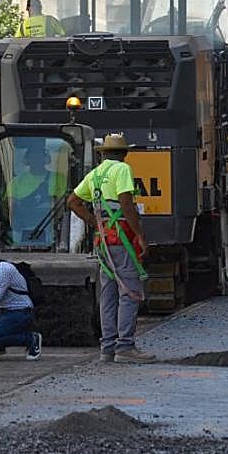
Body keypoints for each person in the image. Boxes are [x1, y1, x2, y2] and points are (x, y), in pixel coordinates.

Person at [66, 133, 154, 364]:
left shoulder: (95, 174)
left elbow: (72, 201)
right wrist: (141, 236)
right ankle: (125, 346)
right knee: (130, 292)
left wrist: (94, 222)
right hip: (121, 239)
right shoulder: (122, 170)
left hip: (103, 241)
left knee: (109, 295)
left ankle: (108, 348)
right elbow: (126, 204)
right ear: (124, 154)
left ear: (103, 154)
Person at [6, 146, 65, 247]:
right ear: (27, 159)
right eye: (33, 157)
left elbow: (62, 209)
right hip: (19, 232)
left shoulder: (59, 179)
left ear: (45, 158)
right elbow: (10, 210)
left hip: (51, 231)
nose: (36, 159)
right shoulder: (16, 183)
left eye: (39, 156)